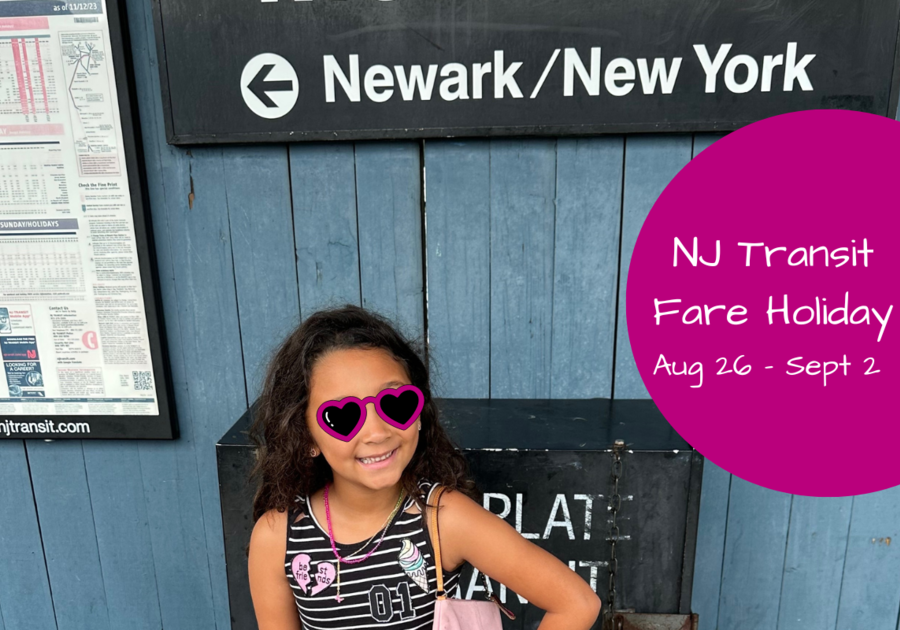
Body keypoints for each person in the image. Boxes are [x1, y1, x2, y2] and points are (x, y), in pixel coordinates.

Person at [248, 305, 601, 630]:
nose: (376, 432)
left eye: (394, 403)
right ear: (305, 436)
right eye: (343, 416)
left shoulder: (443, 519)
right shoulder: (278, 538)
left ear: (419, 414)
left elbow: (577, 603)